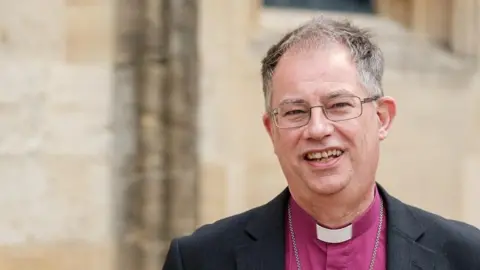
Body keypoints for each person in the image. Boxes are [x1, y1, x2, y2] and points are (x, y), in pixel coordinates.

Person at [162, 16, 480, 270]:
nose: (317, 128)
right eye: (295, 111)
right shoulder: (199, 260)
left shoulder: (466, 257)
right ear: (271, 130)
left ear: (382, 118)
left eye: (339, 105)